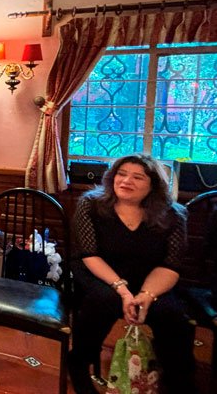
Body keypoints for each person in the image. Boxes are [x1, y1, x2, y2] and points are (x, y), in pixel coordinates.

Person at [68, 153, 195, 394]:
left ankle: (178, 380)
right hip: (100, 272)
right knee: (103, 300)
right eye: (122, 174)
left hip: (151, 278)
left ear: (153, 185)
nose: (126, 181)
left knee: (172, 314)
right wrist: (123, 291)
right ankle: (79, 363)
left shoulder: (173, 214)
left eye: (138, 177)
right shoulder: (91, 204)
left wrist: (147, 295)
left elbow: (171, 266)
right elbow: (88, 254)